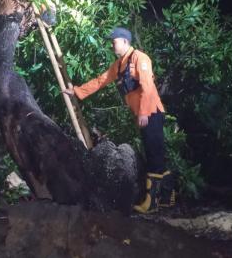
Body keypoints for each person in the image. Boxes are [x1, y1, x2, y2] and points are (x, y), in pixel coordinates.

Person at [64, 27, 175, 213]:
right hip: (143, 113)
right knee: (155, 151)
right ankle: (166, 197)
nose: (111, 45)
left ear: (124, 41)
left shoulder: (140, 58)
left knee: (153, 152)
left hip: (151, 112)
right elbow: (101, 80)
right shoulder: (119, 65)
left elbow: (147, 86)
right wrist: (76, 91)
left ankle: (152, 203)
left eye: (114, 41)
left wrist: (143, 113)